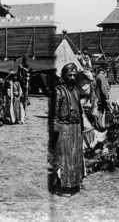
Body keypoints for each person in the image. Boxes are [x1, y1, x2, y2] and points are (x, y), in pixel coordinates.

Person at [48, 63, 84, 196]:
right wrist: (56, 130)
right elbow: (54, 112)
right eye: (70, 75)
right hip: (64, 128)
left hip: (75, 127)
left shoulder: (75, 90)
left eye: (75, 75)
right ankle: (61, 187)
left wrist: (82, 127)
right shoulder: (59, 90)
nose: (73, 77)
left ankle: (74, 183)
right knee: (63, 157)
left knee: (75, 156)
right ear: (63, 76)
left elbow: (79, 111)